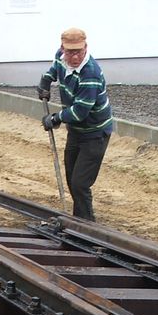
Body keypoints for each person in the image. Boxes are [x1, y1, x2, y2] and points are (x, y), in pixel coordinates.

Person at [38, 27, 113, 221]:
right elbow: (55, 68)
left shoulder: (91, 74)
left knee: (80, 183)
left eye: (79, 52)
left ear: (85, 48)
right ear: (63, 49)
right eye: (70, 52)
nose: (75, 57)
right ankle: (78, 222)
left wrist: (55, 119)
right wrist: (46, 81)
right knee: (72, 178)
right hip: (76, 131)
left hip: (95, 133)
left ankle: (88, 227)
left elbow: (80, 112)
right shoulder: (60, 56)